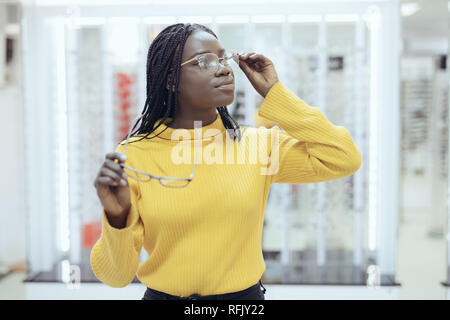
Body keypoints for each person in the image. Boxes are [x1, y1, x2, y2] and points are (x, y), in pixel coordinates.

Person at [91, 23, 362, 300]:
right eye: (204, 62)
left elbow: (343, 156)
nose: (223, 69)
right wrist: (117, 217)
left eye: (223, 58)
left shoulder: (257, 145)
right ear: (171, 79)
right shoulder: (134, 154)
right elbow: (115, 277)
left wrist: (275, 93)